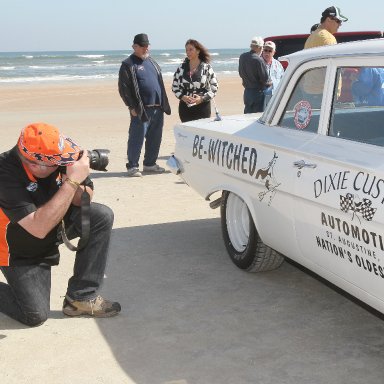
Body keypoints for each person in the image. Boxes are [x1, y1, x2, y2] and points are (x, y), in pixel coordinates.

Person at [0, 123, 121, 327]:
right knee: (35, 315)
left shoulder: (58, 156)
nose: (62, 164)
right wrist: (70, 183)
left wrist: (75, 181)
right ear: (36, 164)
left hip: (51, 227)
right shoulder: (5, 173)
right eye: (57, 163)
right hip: (16, 248)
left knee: (100, 215)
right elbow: (38, 228)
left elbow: (85, 199)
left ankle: (81, 298)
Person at [118, 33, 171, 177]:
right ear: (134, 47)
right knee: (137, 137)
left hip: (157, 107)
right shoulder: (128, 64)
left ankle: (150, 164)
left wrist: (163, 104)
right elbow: (124, 89)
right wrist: (131, 107)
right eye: (142, 46)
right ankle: (133, 166)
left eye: (147, 45)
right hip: (141, 109)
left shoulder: (152, 62)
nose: (145, 48)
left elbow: (159, 83)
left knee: (155, 137)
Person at [172, 39, 218, 123]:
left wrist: (202, 99)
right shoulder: (181, 68)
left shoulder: (206, 67)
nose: (188, 52)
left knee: (202, 133)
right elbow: (175, 87)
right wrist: (183, 97)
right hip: (185, 108)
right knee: (187, 134)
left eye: (190, 49)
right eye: (186, 50)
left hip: (203, 108)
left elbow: (214, 87)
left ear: (198, 51)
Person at [238, 36, 271, 113]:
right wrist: (270, 83)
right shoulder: (258, 60)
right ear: (259, 47)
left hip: (247, 92)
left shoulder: (242, 56)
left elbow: (240, 73)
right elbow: (265, 78)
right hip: (258, 92)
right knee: (256, 117)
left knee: (247, 115)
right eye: (262, 47)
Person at [261, 41, 284, 108]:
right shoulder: (258, 63)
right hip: (262, 98)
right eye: (265, 50)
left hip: (275, 96)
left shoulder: (278, 64)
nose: (267, 53)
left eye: (270, 51)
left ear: (274, 52)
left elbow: (282, 80)